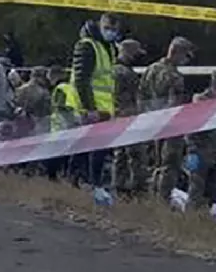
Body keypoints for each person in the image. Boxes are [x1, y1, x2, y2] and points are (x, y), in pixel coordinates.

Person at [68, 14, 121, 188]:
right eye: (108, 28)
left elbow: (107, 81)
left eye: (114, 30)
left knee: (96, 150)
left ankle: (87, 184)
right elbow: (81, 80)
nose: (111, 32)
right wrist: (90, 108)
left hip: (104, 109)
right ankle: (77, 183)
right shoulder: (87, 46)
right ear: (100, 25)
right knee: (85, 149)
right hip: (89, 109)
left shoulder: (109, 47)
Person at [139, 36, 194, 201]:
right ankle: (162, 200)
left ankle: (152, 198)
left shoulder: (151, 69)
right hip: (170, 126)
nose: (186, 60)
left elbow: (141, 96)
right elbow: (174, 105)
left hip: (152, 123)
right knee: (170, 165)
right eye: (186, 56)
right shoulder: (175, 76)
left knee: (155, 164)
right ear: (178, 53)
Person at [112, 38, 147, 195]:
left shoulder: (116, 70)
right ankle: (135, 190)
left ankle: (119, 187)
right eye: (135, 53)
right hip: (127, 117)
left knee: (120, 155)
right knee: (135, 155)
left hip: (120, 117)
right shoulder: (123, 72)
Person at [185, 71, 216, 211]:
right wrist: (191, 150)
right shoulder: (201, 100)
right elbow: (190, 127)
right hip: (200, 150)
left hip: (212, 150)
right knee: (196, 188)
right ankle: (191, 217)